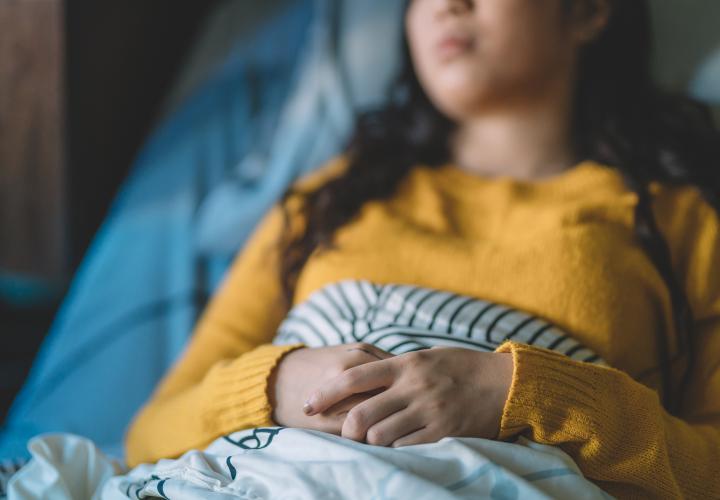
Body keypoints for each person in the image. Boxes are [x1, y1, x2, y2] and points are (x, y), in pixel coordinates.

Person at [124, 0, 720, 497]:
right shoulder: (326, 202)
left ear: (588, 11)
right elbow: (149, 434)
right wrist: (276, 384)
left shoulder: (684, 221)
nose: (444, 5)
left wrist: (519, 392)